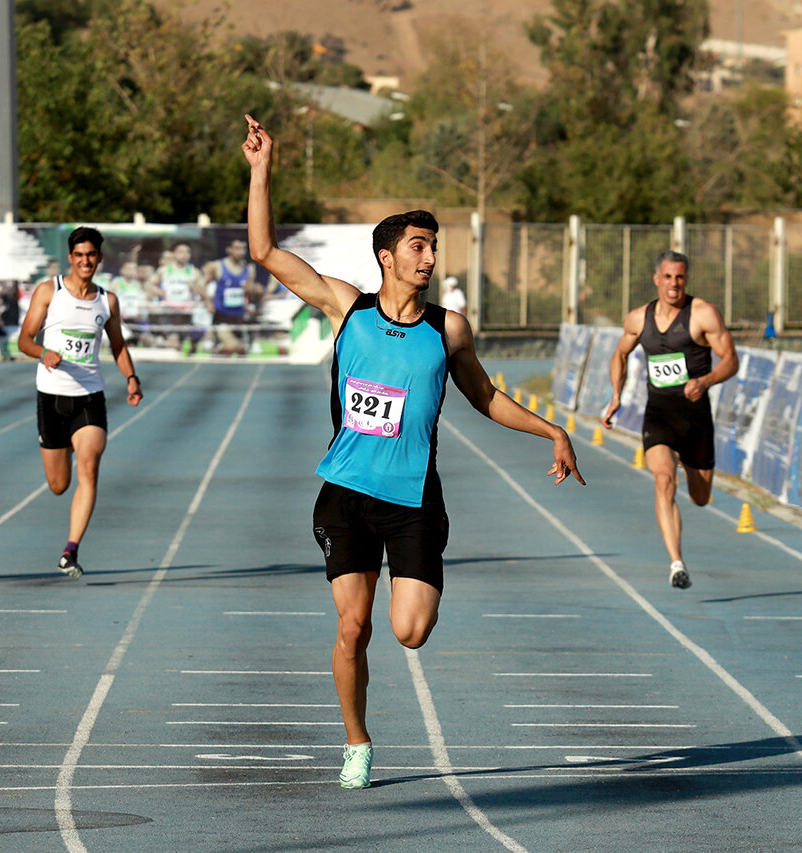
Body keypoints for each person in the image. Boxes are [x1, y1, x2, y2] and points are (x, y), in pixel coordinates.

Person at [242, 114, 584, 790]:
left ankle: (404, 615)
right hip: (345, 492)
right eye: (419, 246)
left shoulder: (447, 327)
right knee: (353, 625)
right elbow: (265, 253)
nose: (430, 258)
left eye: (433, 247)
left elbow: (485, 396)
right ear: (388, 256)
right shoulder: (347, 308)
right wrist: (261, 170)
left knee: (410, 631)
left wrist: (552, 430)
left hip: (413, 502)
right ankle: (357, 739)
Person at [602, 250, 738, 590]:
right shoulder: (638, 318)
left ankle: (694, 470)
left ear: (686, 279)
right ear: (656, 279)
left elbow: (731, 360)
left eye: (680, 277)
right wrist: (617, 395)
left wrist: (705, 381)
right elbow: (619, 355)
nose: (673, 283)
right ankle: (677, 564)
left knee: (700, 496)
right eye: (667, 277)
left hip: (695, 420)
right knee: (664, 480)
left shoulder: (703, 314)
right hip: (658, 415)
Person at [17, 227, 143, 578]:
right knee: (59, 485)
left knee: (89, 467)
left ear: (99, 258)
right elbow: (24, 340)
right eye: (79, 255)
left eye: (92, 255)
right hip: (53, 397)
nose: (86, 261)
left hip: (90, 396)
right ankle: (64, 446)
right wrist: (44, 352)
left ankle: (70, 551)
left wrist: (131, 378)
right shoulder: (49, 291)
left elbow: (117, 344)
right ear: (71, 258)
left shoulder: (107, 301)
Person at [202, 238, 263, 354]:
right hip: (221, 318)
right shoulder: (217, 266)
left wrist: (254, 291)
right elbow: (201, 284)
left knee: (242, 352)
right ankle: (215, 345)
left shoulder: (249, 269)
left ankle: (217, 350)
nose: (241, 252)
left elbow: (251, 294)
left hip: (239, 318)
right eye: (237, 248)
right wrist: (208, 302)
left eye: (243, 249)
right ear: (229, 250)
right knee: (232, 347)